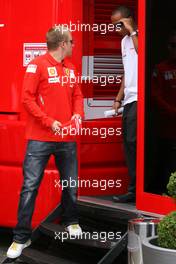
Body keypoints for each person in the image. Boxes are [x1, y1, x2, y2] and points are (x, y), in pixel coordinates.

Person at [7, 25, 84, 259]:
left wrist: (78, 113)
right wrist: (49, 121)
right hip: (40, 138)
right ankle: (20, 238)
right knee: (30, 188)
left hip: (66, 137)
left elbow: (77, 94)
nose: (73, 45)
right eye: (70, 41)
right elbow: (26, 99)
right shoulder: (37, 65)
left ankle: (71, 221)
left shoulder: (70, 67)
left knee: (70, 183)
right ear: (62, 44)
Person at [111, 6, 138, 203]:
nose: (116, 29)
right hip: (128, 99)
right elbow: (126, 72)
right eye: (113, 26)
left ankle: (136, 189)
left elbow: (142, 54)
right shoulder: (123, 41)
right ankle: (133, 189)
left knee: (134, 142)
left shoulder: (138, 36)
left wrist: (133, 31)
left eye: (119, 24)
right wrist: (118, 98)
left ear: (129, 20)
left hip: (140, 98)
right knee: (128, 145)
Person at [151, 30, 176, 193]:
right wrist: (172, 111)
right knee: (167, 162)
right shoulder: (160, 68)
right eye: (172, 45)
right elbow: (155, 95)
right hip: (167, 128)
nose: (175, 49)